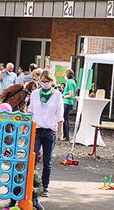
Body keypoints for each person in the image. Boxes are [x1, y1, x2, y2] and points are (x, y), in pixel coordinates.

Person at [28, 69, 64, 197]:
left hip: (49, 131)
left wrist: (60, 133)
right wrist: (25, 128)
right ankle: (30, 184)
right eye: (42, 81)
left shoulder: (57, 95)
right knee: (33, 157)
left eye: (47, 81)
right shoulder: (35, 94)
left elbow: (60, 115)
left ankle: (45, 187)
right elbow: (30, 111)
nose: (44, 83)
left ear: (52, 82)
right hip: (36, 130)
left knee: (47, 161)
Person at [62, 69, 77, 141]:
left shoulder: (70, 82)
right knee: (65, 118)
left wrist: (63, 96)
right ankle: (65, 135)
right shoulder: (71, 82)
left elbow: (71, 94)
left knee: (65, 119)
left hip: (67, 102)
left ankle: (66, 136)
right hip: (68, 102)